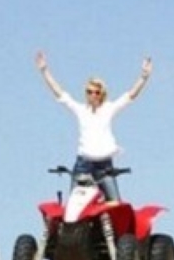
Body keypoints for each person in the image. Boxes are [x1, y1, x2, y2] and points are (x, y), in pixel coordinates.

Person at [35, 51, 152, 203]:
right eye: (89, 92)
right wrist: (44, 71)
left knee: (115, 205)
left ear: (101, 94)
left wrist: (144, 77)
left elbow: (130, 96)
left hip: (104, 165)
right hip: (84, 164)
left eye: (96, 92)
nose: (93, 95)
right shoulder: (81, 110)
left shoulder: (109, 109)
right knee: (73, 207)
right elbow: (60, 94)